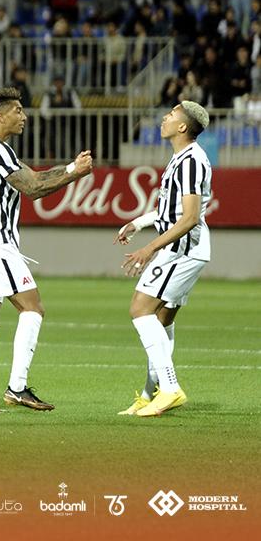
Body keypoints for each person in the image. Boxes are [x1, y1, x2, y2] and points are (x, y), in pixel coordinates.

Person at [0, 88, 93, 413]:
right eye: (18, 110)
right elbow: (33, 188)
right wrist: (75, 175)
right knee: (33, 308)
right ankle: (17, 388)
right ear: (0, 115)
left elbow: (34, 175)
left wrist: (71, 168)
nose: (24, 116)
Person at [114, 102, 211, 417]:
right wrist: (138, 223)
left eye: (171, 115)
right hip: (184, 248)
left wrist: (149, 248)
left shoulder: (191, 162)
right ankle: (150, 394)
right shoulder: (180, 158)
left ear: (183, 127)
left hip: (182, 249)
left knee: (140, 309)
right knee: (162, 320)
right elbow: (170, 210)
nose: (164, 118)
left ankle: (170, 388)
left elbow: (190, 218)